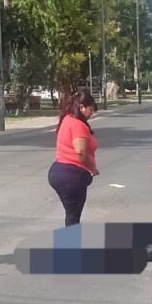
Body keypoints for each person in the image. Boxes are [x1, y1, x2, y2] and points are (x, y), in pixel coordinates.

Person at [48, 89, 99, 227]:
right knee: (73, 218)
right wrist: (92, 168)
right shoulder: (78, 125)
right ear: (82, 107)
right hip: (72, 176)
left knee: (71, 215)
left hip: (59, 172)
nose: (91, 114)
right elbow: (81, 152)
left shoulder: (67, 119)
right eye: (91, 109)